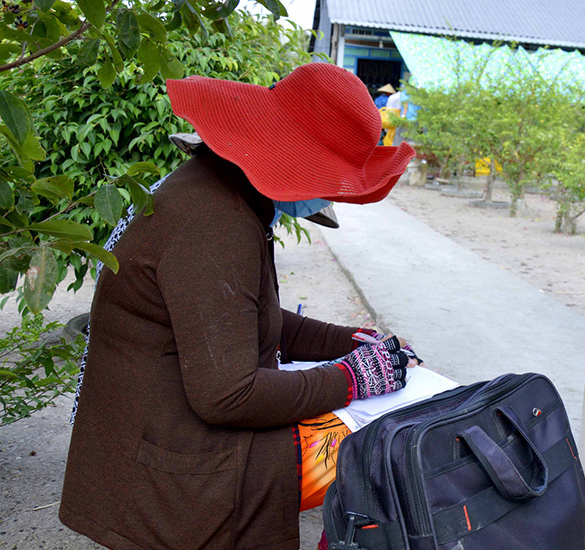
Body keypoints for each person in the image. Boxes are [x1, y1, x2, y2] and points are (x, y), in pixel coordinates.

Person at [60, 62, 420, 550]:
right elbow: (227, 395)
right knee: (374, 453)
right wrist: (352, 379)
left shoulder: (218, 190)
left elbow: (241, 313)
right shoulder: (215, 224)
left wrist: (348, 343)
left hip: (155, 428)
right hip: (169, 459)